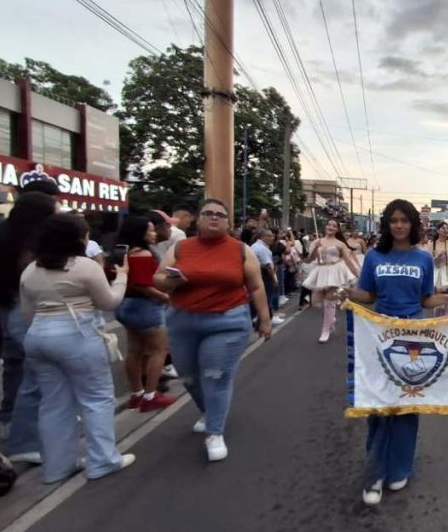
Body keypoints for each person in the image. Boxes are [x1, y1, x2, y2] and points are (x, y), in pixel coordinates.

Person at [340, 199, 448, 506]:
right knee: (379, 406)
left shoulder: (423, 259)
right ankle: (375, 473)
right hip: (379, 338)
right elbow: (368, 294)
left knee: (408, 404)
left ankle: (400, 467)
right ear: (386, 223)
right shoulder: (374, 256)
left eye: (404, 220)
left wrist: (443, 298)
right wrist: (346, 293)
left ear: (413, 224)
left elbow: (424, 300)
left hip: (414, 337)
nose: (398, 225)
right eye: (393, 220)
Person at [20, 213, 136, 482]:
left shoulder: (30, 269)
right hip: (77, 335)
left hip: (37, 337)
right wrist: (121, 278)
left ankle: (57, 467)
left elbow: (27, 313)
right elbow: (109, 302)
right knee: (96, 398)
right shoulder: (84, 266)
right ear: (78, 239)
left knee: (53, 403)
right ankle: (103, 460)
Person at [154, 199, 272, 462]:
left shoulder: (241, 250)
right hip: (182, 321)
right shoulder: (181, 247)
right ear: (198, 219)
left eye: (220, 215)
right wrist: (170, 280)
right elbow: (158, 280)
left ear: (228, 223)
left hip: (227, 323)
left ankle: (214, 431)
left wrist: (264, 319)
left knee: (215, 375)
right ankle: (210, 412)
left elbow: (256, 287)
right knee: (188, 377)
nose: (214, 218)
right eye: (208, 213)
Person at [0, 191, 59, 461]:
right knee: (35, 373)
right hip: (23, 306)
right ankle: (25, 439)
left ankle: (10, 420)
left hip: (2, 306)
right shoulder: (32, 244)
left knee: (17, 366)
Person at [114, 216, 176, 412]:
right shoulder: (142, 254)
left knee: (134, 351)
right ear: (139, 233)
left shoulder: (122, 252)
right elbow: (143, 286)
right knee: (160, 349)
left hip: (125, 305)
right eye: (150, 230)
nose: (154, 233)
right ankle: (150, 395)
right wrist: (166, 297)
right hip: (145, 307)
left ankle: (137, 394)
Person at [303, 218, 361, 343]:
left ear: (337, 229)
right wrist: (315, 247)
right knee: (316, 302)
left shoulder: (340, 244)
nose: (331, 227)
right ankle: (331, 319)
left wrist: (358, 275)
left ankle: (325, 331)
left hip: (335, 271)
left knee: (330, 299)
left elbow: (348, 261)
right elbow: (310, 259)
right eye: (329, 224)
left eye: (334, 225)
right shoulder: (317, 241)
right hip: (321, 271)